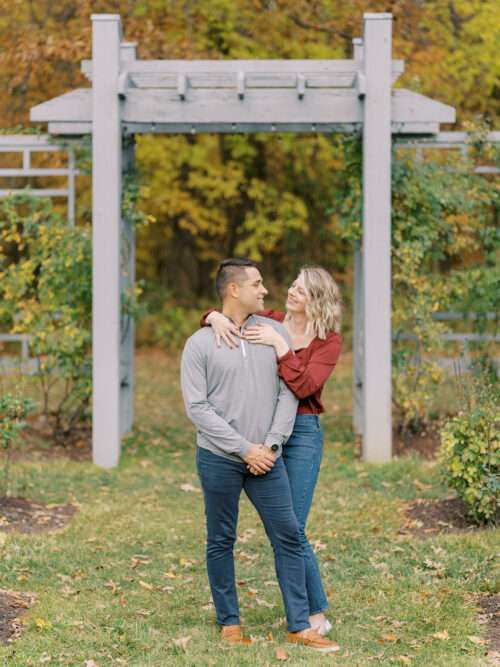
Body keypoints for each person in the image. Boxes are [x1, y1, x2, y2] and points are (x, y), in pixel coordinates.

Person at [181, 258, 340, 653]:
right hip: (225, 453)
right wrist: (213, 316)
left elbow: (294, 389)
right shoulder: (224, 334)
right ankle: (229, 622)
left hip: (284, 443)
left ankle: (302, 622)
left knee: (289, 532)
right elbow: (198, 406)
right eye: (259, 283)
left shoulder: (294, 334)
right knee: (222, 537)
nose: (274, 289)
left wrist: (268, 446)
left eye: (300, 288)